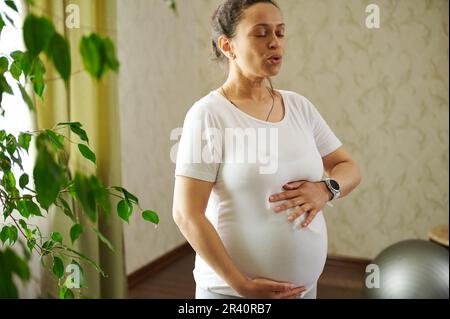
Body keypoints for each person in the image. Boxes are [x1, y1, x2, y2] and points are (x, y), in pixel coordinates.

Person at [172, 0, 361, 299]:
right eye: (260, 33)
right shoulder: (208, 115)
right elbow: (187, 214)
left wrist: (326, 189)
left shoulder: (299, 106)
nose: (275, 42)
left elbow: (348, 167)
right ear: (228, 46)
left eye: (280, 33)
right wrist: (242, 285)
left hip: (305, 290)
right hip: (233, 294)